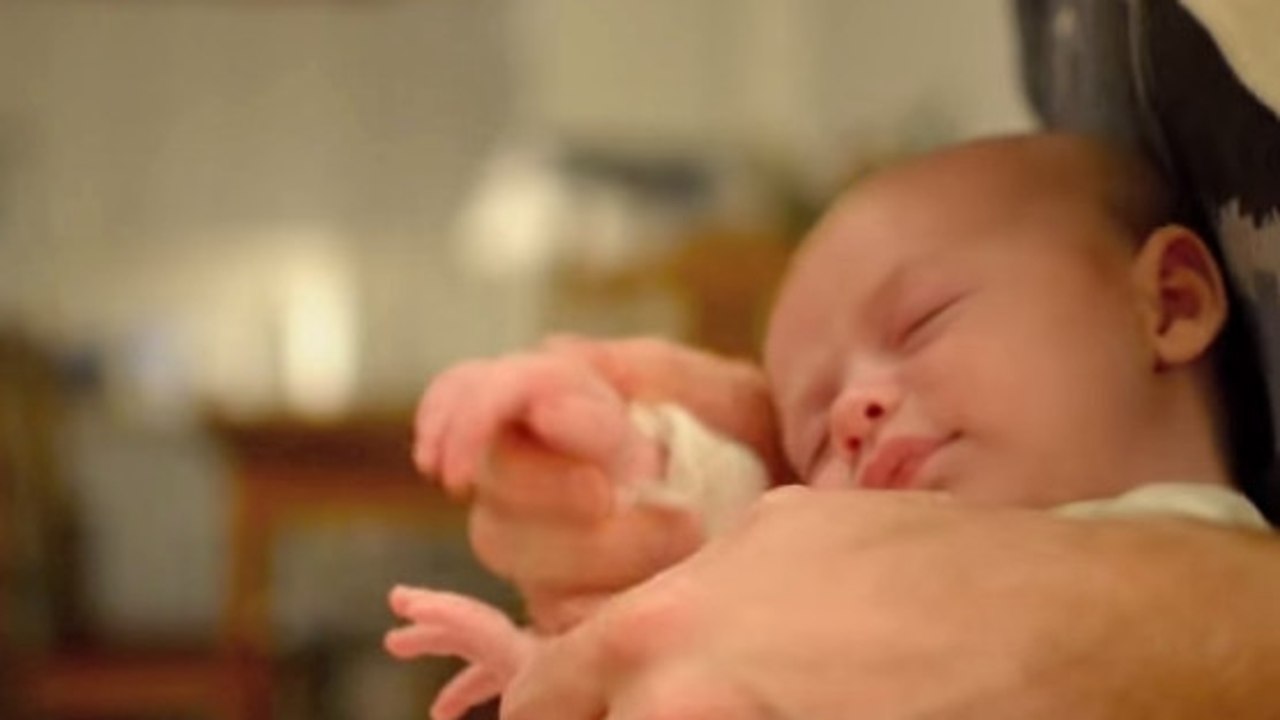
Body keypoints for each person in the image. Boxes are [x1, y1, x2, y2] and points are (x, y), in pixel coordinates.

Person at [389, 133, 1274, 720]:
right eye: (815, 434)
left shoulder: (1204, 613)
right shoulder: (888, 570)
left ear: (1169, 302)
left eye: (923, 322)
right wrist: (631, 453)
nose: (853, 412)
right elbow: (753, 537)